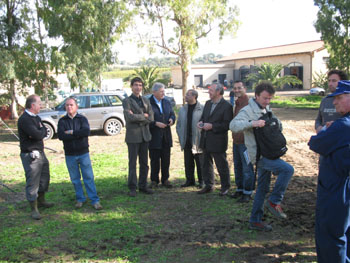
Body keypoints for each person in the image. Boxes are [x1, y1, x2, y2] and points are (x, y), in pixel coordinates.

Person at [230, 81, 294, 231]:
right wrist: (253, 123)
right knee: (287, 170)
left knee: (262, 189)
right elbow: (233, 125)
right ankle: (274, 201)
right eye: (265, 98)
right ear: (257, 96)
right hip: (260, 156)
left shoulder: (266, 109)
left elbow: (277, 124)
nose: (267, 101)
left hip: (269, 152)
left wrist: (276, 124)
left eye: (270, 99)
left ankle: (255, 220)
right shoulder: (247, 111)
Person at [309, 80, 350, 263]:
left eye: (339, 97)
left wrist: (326, 129)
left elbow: (315, 143)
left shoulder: (342, 126)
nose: (334, 102)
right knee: (345, 232)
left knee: (330, 237)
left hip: (336, 188)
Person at [58, 97, 102, 210]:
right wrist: (77, 134)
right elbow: (61, 136)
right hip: (70, 155)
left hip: (83, 153)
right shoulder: (62, 121)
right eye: (67, 105)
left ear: (76, 106)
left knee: (88, 177)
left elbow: (86, 132)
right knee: (75, 179)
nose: (69, 107)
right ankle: (80, 199)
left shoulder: (82, 119)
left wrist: (71, 132)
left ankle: (94, 200)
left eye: (71, 105)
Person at [18, 94, 54, 220]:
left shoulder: (36, 118)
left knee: (44, 176)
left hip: (41, 152)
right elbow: (37, 134)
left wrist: (40, 132)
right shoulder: (24, 119)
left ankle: (41, 200)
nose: (41, 106)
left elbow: (43, 131)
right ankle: (34, 208)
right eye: (39, 103)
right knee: (33, 181)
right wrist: (39, 133)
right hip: (31, 155)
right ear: (32, 105)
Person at [197, 83, 233, 195]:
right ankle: (208, 185)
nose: (209, 92)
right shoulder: (208, 103)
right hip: (205, 139)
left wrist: (213, 126)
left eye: (211, 90)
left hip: (218, 140)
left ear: (218, 92)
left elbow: (227, 125)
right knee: (206, 164)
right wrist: (201, 122)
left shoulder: (227, 106)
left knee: (221, 165)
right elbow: (204, 117)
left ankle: (225, 187)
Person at [123, 77, 154, 197]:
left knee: (144, 163)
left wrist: (138, 116)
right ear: (131, 86)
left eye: (140, 85)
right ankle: (132, 187)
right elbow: (128, 118)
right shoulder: (127, 101)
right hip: (133, 137)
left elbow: (151, 118)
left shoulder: (146, 100)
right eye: (136, 85)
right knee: (132, 163)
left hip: (145, 136)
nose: (138, 87)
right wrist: (143, 116)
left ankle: (143, 185)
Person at [230, 81, 255, 203]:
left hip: (246, 143)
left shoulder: (249, 104)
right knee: (238, 166)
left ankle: (247, 192)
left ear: (245, 88)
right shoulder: (237, 103)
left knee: (247, 168)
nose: (237, 90)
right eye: (235, 88)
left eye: (239, 88)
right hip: (236, 141)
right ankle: (240, 189)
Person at [148, 82, 176, 188]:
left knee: (166, 159)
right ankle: (154, 180)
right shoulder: (148, 103)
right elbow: (145, 119)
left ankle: (165, 179)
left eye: (164, 91)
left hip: (166, 136)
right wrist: (155, 123)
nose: (163, 93)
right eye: (161, 91)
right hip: (154, 136)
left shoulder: (166, 102)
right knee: (155, 159)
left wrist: (172, 119)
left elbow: (172, 114)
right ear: (154, 92)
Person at [176, 89, 204, 188]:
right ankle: (190, 180)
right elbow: (178, 124)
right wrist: (180, 135)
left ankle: (202, 181)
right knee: (188, 162)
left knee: (200, 162)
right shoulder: (183, 109)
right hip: (186, 139)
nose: (185, 96)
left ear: (194, 97)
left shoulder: (202, 109)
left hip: (197, 140)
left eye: (188, 95)